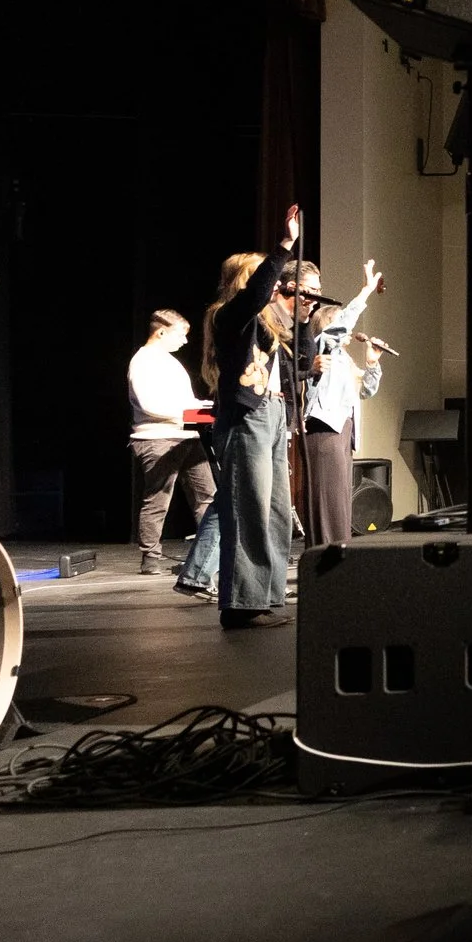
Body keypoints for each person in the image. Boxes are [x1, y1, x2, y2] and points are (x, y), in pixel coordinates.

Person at [211, 206, 305, 630]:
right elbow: (256, 294)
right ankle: (241, 605)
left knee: (277, 511)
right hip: (245, 416)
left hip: (272, 413)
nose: (273, 286)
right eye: (264, 277)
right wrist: (285, 246)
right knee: (249, 509)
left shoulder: (264, 325)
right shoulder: (228, 314)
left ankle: (266, 597)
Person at [172, 254, 264, 603]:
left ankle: (196, 575)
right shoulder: (226, 313)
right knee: (231, 499)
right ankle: (203, 575)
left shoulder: (250, 314)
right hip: (238, 416)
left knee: (227, 497)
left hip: (244, 412)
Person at [300, 259, 384, 545]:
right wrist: (364, 292)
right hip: (324, 430)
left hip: (342, 432)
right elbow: (342, 324)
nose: (348, 329)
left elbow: (366, 391)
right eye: (341, 324)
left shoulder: (344, 360)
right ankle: (326, 554)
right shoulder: (323, 347)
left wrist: (373, 365)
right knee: (328, 498)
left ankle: (337, 553)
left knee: (339, 498)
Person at [127, 310, 215, 575]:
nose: (185, 341)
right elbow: (149, 404)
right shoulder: (142, 361)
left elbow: (184, 402)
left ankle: (211, 553)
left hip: (187, 436)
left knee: (208, 497)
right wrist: (191, 412)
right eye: (180, 334)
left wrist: (204, 408)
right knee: (158, 498)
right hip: (157, 438)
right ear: (162, 332)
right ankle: (150, 558)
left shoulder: (171, 363)